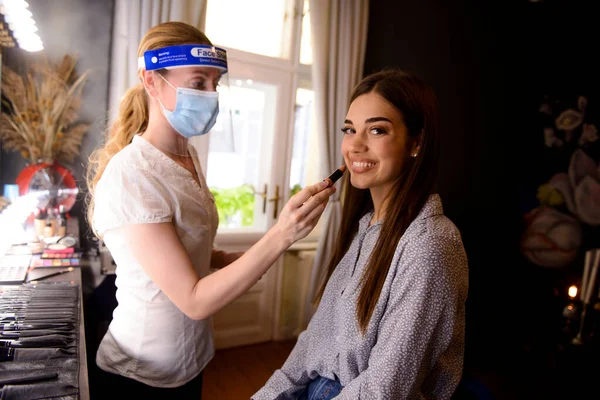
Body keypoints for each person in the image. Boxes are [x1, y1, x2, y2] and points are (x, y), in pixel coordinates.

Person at [85, 21, 335, 398]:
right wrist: (281, 234)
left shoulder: (188, 157)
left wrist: (223, 257)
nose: (211, 94)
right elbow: (194, 300)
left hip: (191, 361)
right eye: (199, 82)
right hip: (140, 376)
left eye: (215, 84)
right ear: (152, 81)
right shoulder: (132, 175)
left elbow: (184, 243)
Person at [253, 69, 469, 400]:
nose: (355, 145)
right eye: (349, 129)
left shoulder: (430, 245)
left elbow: (385, 386)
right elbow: (316, 341)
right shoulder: (366, 227)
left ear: (417, 143)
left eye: (377, 130)